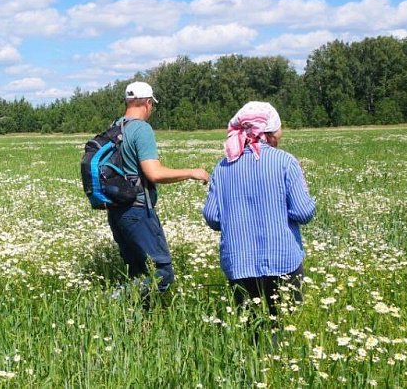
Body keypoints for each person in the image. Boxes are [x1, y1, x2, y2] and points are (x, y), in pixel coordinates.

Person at [202, 101, 316, 319]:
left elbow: (213, 217)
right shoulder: (285, 162)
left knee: (249, 326)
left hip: (239, 263)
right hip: (283, 260)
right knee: (287, 325)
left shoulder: (223, 166)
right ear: (270, 132)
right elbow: (303, 212)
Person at [108, 82, 209, 297]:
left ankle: (136, 322)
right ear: (147, 103)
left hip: (117, 210)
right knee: (162, 273)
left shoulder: (115, 127)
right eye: (152, 104)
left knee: (137, 272)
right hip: (137, 211)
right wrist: (192, 172)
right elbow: (154, 173)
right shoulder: (141, 129)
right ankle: (109, 303)